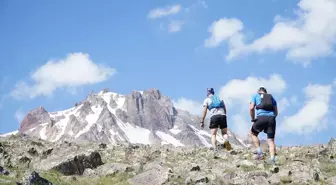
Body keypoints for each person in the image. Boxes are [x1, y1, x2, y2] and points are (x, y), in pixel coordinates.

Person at [249, 86, 278, 164]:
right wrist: (271, 118)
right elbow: (276, 112)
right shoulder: (271, 97)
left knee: (253, 133)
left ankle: (259, 153)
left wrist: (253, 119)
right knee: (271, 140)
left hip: (261, 117)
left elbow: (251, 108)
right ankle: (272, 160)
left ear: (258, 91)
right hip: (271, 118)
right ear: (265, 92)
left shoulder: (255, 96)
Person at [200, 88, 232, 152]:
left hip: (214, 117)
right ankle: (226, 142)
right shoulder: (220, 98)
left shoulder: (207, 100)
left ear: (207, 93)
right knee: (224, 133)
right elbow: (224, 108)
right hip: (223, 115)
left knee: (213, 134)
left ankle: (215, 149)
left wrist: (202, 120)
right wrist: (224, 115)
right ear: (213, 92)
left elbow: (204, 111)